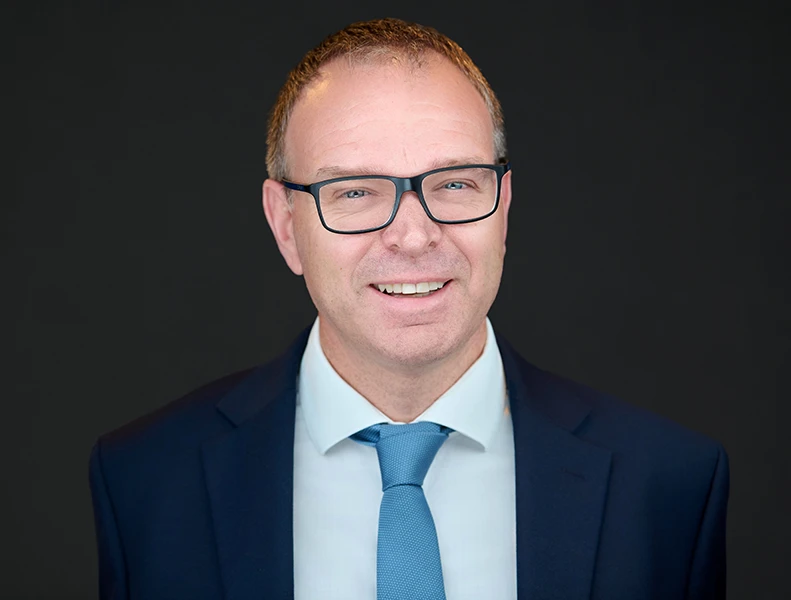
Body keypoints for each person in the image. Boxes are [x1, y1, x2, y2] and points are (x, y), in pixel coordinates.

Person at [89, 18, 729, 600]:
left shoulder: (670, 485)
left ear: (503, 207)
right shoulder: (146, 481)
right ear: (286, 225)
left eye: (454, 183)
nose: (414, 235)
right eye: (356, 191)